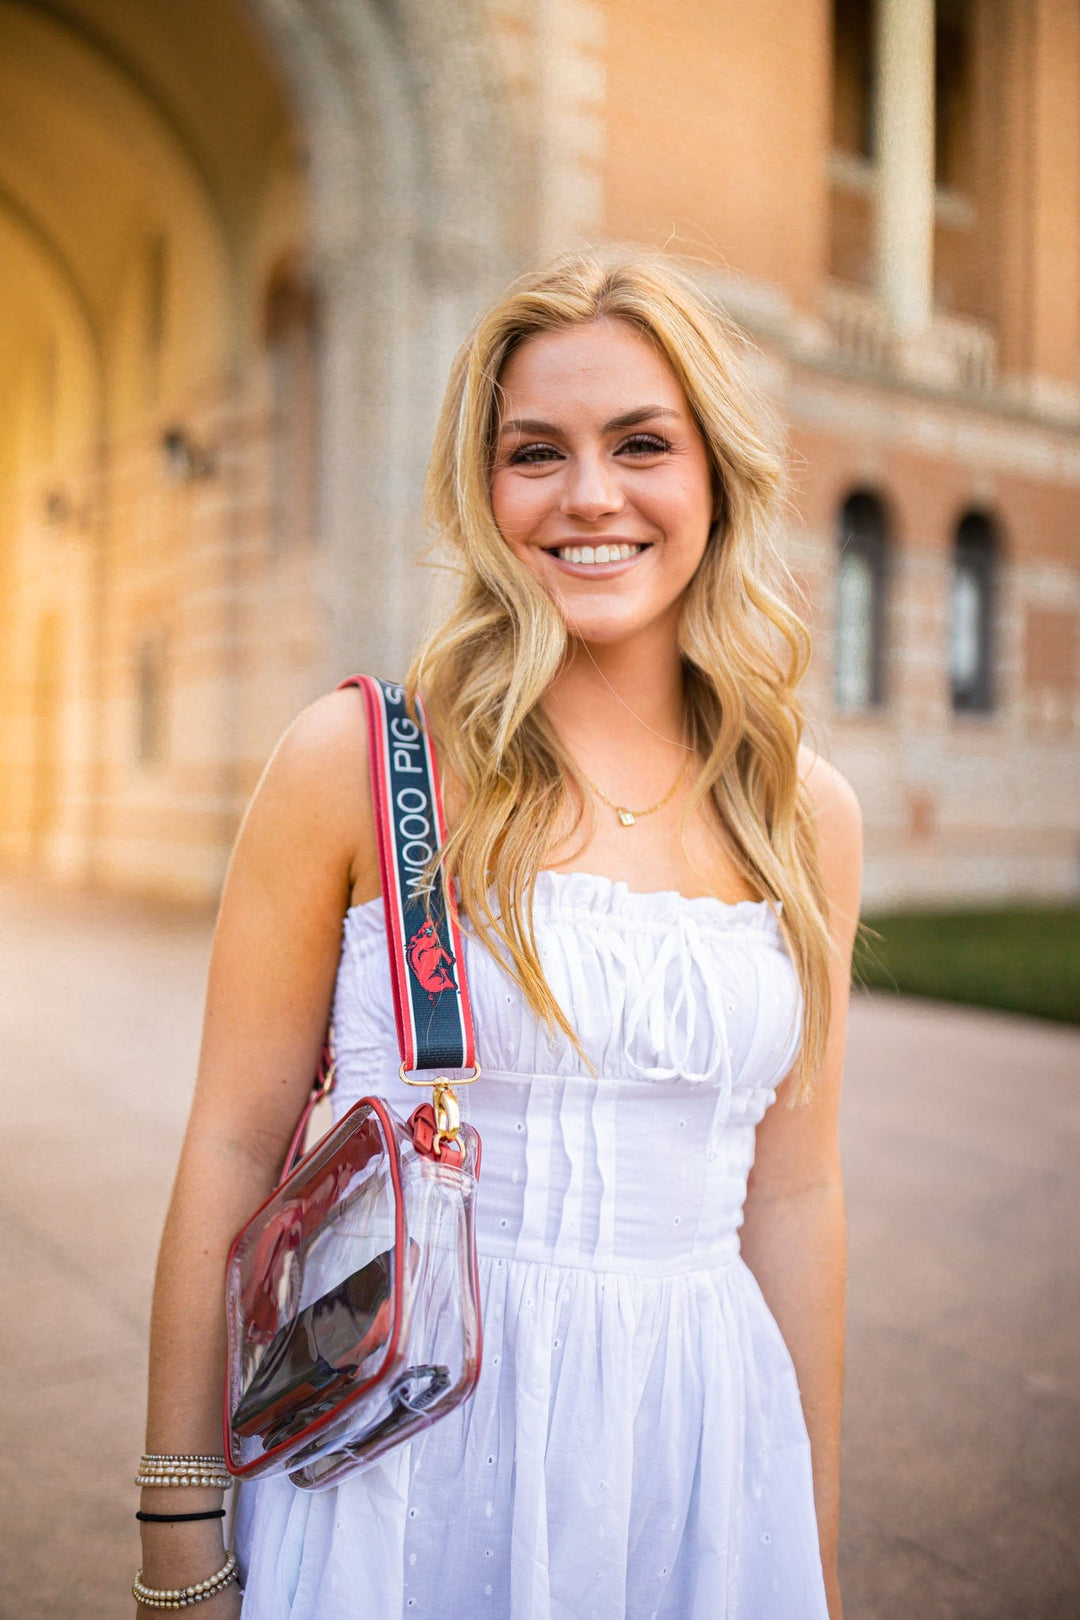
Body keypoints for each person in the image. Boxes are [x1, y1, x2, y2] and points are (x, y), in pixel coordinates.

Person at [136, 248, 860, 1620]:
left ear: (714, 473)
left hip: (698, 1444)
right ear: (484, 490)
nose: (591, 496)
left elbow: (797, 1195)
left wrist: (806, 1538)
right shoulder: (357, 761)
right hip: (402, 1456)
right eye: (538, 452)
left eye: (641, 443)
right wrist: (179, 1526)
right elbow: (231, 1144)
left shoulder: (802, 811)